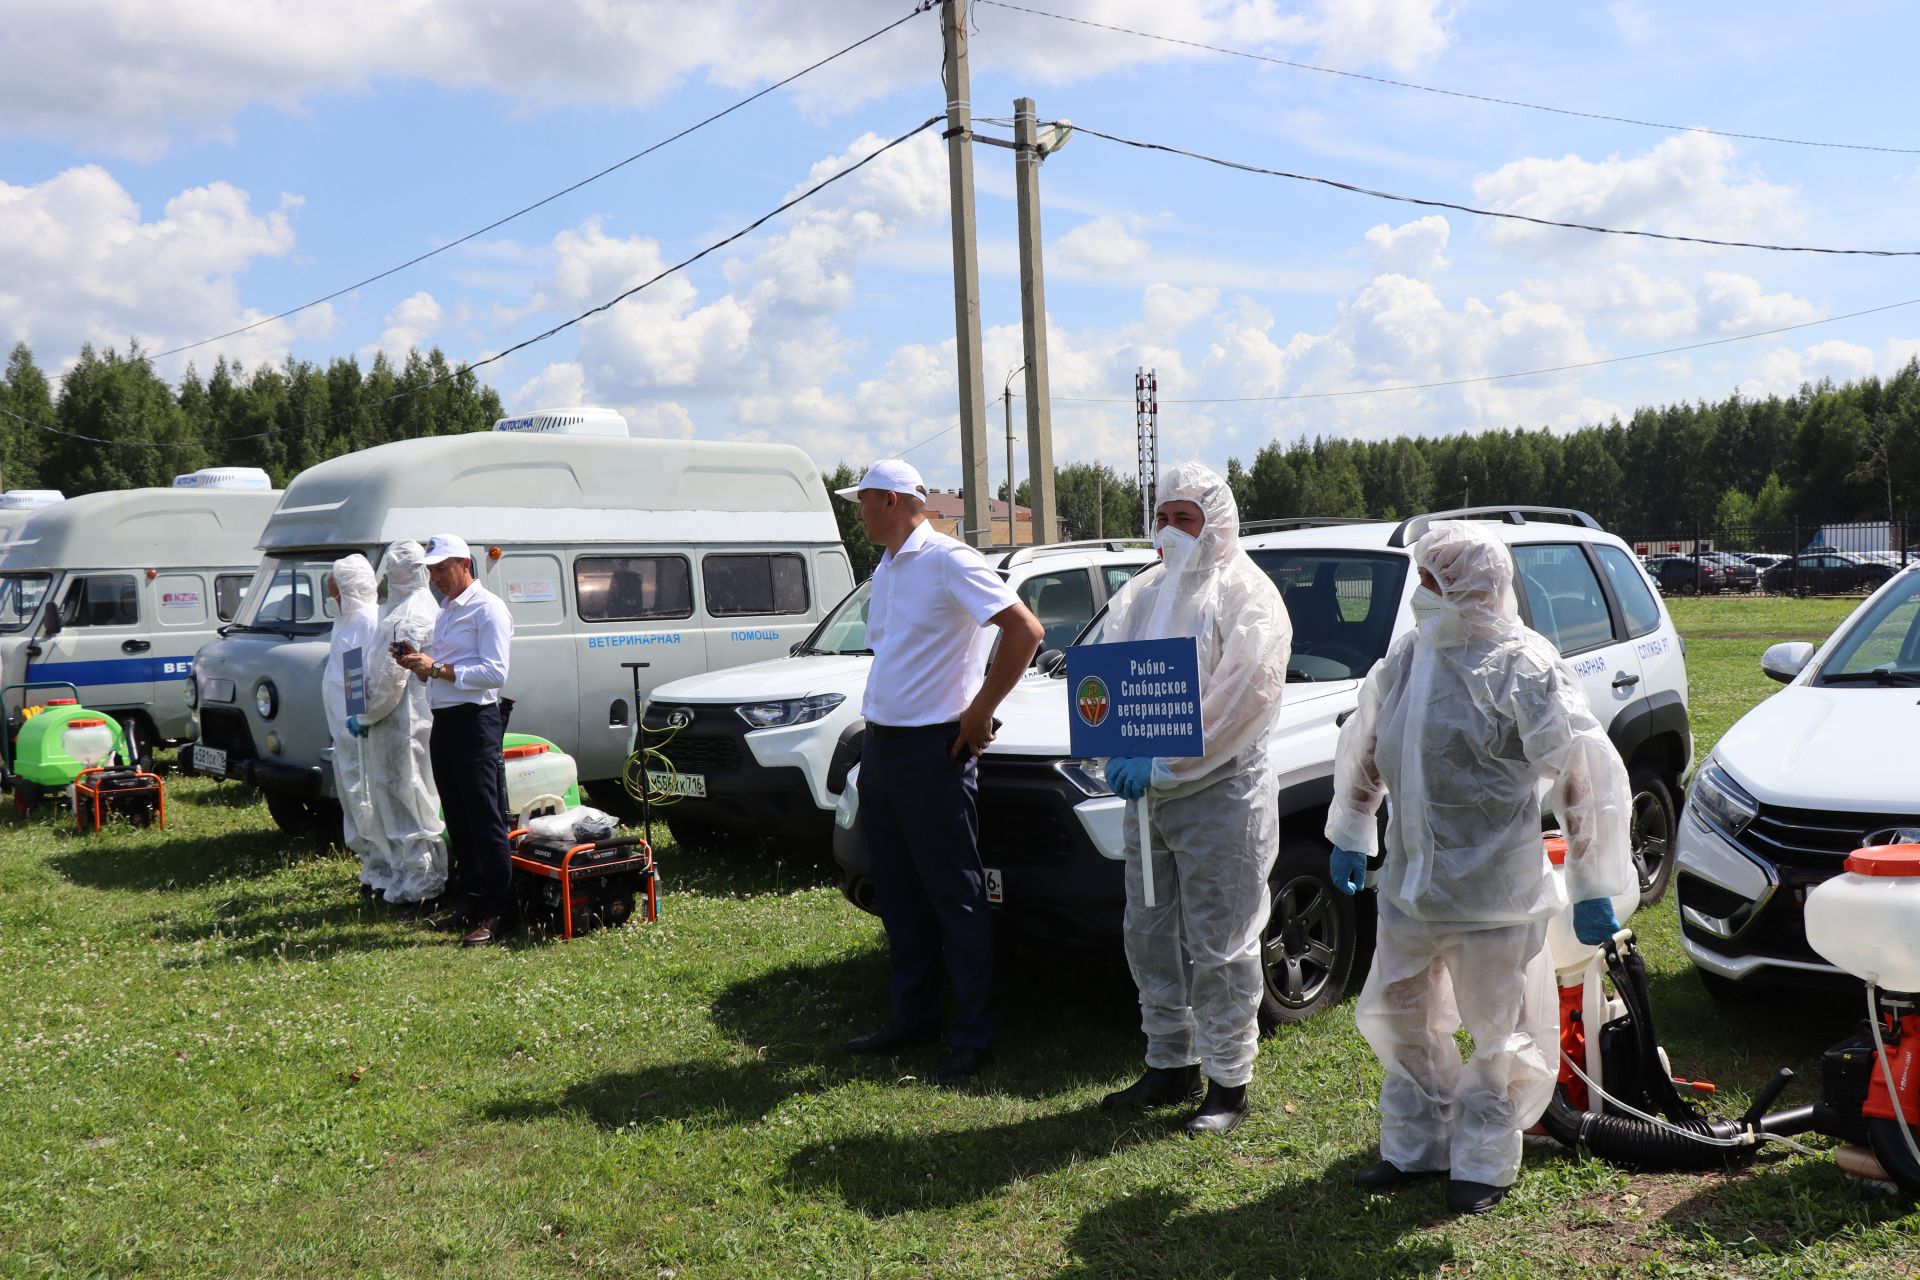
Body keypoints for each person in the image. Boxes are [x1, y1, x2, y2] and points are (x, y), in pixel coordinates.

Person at [1325, 520, 1633, 1214]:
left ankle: (1485, 1162)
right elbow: (1368, 743)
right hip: (1411, 883)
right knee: (1401, 1015)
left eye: (1435, 583)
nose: (1422, 596)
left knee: (1500, 1031)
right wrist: (1352, 826)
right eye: (1423, 581)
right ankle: (1416, 1149)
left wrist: (1591, 879)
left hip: (1495, 890)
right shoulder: (1409, 657)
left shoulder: (1526, 665)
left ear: (1475, 586)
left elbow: (1584, 777)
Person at [1096, 461, 1292, 1136]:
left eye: (1187, 518)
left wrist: (1165, 760)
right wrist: (1118, 751)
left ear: (1218, 521)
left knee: (1221, 941)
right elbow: (1107, 680)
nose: (1172, 530)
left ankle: (1229, 1081)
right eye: (1163, 517)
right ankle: (1168, 1061)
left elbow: (1242, 701)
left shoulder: (1248, 597)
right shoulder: (1143, 594)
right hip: (1149, 798)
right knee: (1148, 933)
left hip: (1220, 796)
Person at [835, 459, 1045, 1087]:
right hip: (884, 746)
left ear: (894, 502)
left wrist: (980, 710)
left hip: (934, 750)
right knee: (899, 893)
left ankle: (973, 1037)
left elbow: (1024, 630)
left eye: (864, 500)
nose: (859, 510)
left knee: (955, 896)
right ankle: (915, 1017)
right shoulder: (891, 563)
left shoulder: (950, 560)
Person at [396, 533, 516, 947]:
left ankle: (501, 910)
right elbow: (449, 668)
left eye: (442, 569)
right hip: (445, 720)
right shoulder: (447, 610)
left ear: (465, 564)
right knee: (458, 815)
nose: (436, 579)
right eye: (431, 571)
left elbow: (495, 673)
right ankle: (473, 901)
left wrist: (439, 668)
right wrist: (421, 665)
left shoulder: (489, 608)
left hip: (475, 721)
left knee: (485, 816)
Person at [347, 540, 447, 916]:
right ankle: (405, 879)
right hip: (398, 722)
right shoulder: (406, 609)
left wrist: (364, 714)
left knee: (411, 801)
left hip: (403, 724)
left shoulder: (408, 615)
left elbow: (391, 681)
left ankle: (424, 886)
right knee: (401, 799)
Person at [322, 554, 381, 895]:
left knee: (369, 800)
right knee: (354, 801)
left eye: (335, 593)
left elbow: (373, 682)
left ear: (349, 590)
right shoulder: (345, 622)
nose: (332, 600)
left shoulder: (370, 623)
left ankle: (384, 869)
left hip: (363, 735)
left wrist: (363, 719)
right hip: (344, 735)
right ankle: (371, 868)